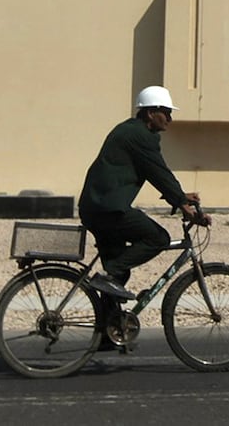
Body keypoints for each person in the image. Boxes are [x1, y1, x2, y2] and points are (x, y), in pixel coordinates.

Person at [78, 85, 209, 301]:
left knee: (119, 275)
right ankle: (107, 275)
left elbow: (153, 172)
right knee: (158, 237)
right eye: (166, 113)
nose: (169, 119)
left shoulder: (130, 130)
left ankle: (108, 331)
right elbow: (158, 172)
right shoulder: (139, 136)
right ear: (150, 112)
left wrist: (180, 197)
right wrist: (181, 201)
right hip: (107, 210)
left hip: (97, 208)